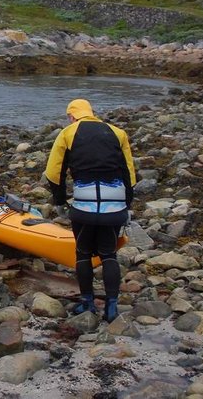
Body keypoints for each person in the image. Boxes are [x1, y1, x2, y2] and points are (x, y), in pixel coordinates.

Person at [44, 99, 136, 323]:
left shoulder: (68, 133)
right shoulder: (117, 132)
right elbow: (129, 174)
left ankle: (87, 303)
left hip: (84, 206)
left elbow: (54, 172)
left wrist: (60, 201)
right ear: (91, 113)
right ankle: (112, 307)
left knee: (83, 253)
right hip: (114, 206)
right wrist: (127, 204)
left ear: (71, 116)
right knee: (108, 254)